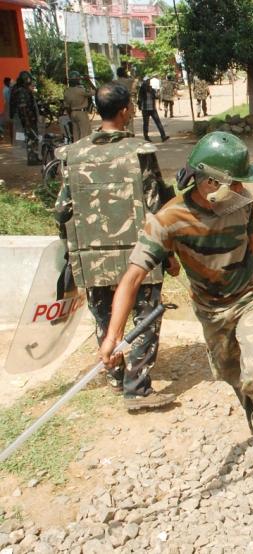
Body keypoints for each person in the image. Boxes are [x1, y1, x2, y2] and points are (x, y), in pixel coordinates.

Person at [100, 132, 253, 470]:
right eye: (234, 184)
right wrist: (113, 335)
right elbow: (132, 278)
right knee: (235, 375)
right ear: (207, 183)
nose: (241, 190)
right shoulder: (167, 221)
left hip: (249, 296)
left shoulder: (241, 203)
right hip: (210, 308)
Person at [54, 82, 178, 411]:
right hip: (136, 255)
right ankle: (137, 388)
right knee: (145, 316)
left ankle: (115, 374)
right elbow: (157, 209)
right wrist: (170, 255)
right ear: (125, 111)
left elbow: (61, 210)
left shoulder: (74, 154)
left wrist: (73, 251)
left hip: (91, 256)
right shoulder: (139, 152)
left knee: (104, 317)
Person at [9, 71, 40, 165]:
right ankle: (32, 159)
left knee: (32, 138)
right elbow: (23, 107)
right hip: (27, 119)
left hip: (27, 118)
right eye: (29, 79)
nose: (30, 81)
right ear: (26, 79)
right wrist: (27, 121)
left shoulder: (19, 89)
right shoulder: (21, 91)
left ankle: (34, 157)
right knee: (32, 138)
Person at [63, 70, 95, 141]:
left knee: (76, 135)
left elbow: (67, 106)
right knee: (85, 135)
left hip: (73, 113)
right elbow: (96, 91)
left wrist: (70, 115)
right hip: (81, 113)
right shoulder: (81, 90)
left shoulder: (67, 92)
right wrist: (88, 81)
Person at [138, 77, 169, 143]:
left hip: (152, 108)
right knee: (146, 124)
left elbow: (155, 97)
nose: (148, 82)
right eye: (147, 81)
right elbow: (139, 98)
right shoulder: (142, 89)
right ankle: (146, 137)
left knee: (158, 122)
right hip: (145, 109)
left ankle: (163, 136)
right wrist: (139, 106)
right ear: (144, 82)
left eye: (149, 81)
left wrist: (155, 92)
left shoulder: (151, 89)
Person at [114, 66, 138, 135]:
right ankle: (130, 138)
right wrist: (128, 74)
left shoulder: (114, 82)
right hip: (127, 104)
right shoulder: (129, 81)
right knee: (129, 124)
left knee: (119, 122)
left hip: (117, 105)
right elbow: (135, 80)